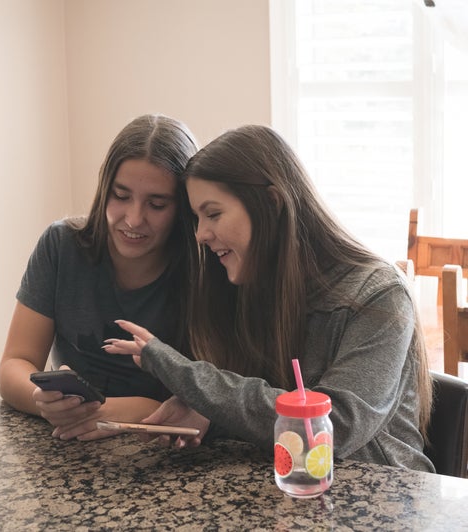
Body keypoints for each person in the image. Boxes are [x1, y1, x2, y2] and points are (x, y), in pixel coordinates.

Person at [103, 124, 435, 472]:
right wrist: (210, 415)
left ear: (272, 204)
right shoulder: (254, 288)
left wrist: (183, 373)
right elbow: (269, 413)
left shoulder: (380, 296)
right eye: (197, 218)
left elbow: (332, 429)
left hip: (386, 501)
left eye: (213, 214)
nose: (201, 234)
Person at [0, 114, 199, 441]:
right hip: (70, 443)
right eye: (121, 196)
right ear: (105, 188)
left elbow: (200, 402)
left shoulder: (202, 269)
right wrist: (43, 401)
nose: (134, 219)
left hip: (161, 453)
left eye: (157, 204)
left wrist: (104, 411)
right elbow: (14, 365)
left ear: (183, 209)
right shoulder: (61, 246)